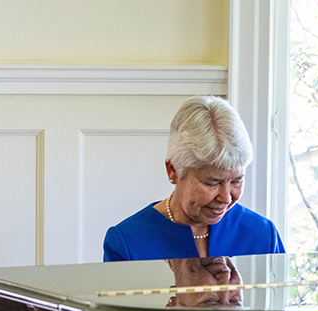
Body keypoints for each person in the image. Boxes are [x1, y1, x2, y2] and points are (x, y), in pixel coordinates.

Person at [103, 95, 285, 262]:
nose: (227, 197)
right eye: (212, 183)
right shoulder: (127, 242)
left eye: (236, 181)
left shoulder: (262, 235)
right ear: (173, 170)